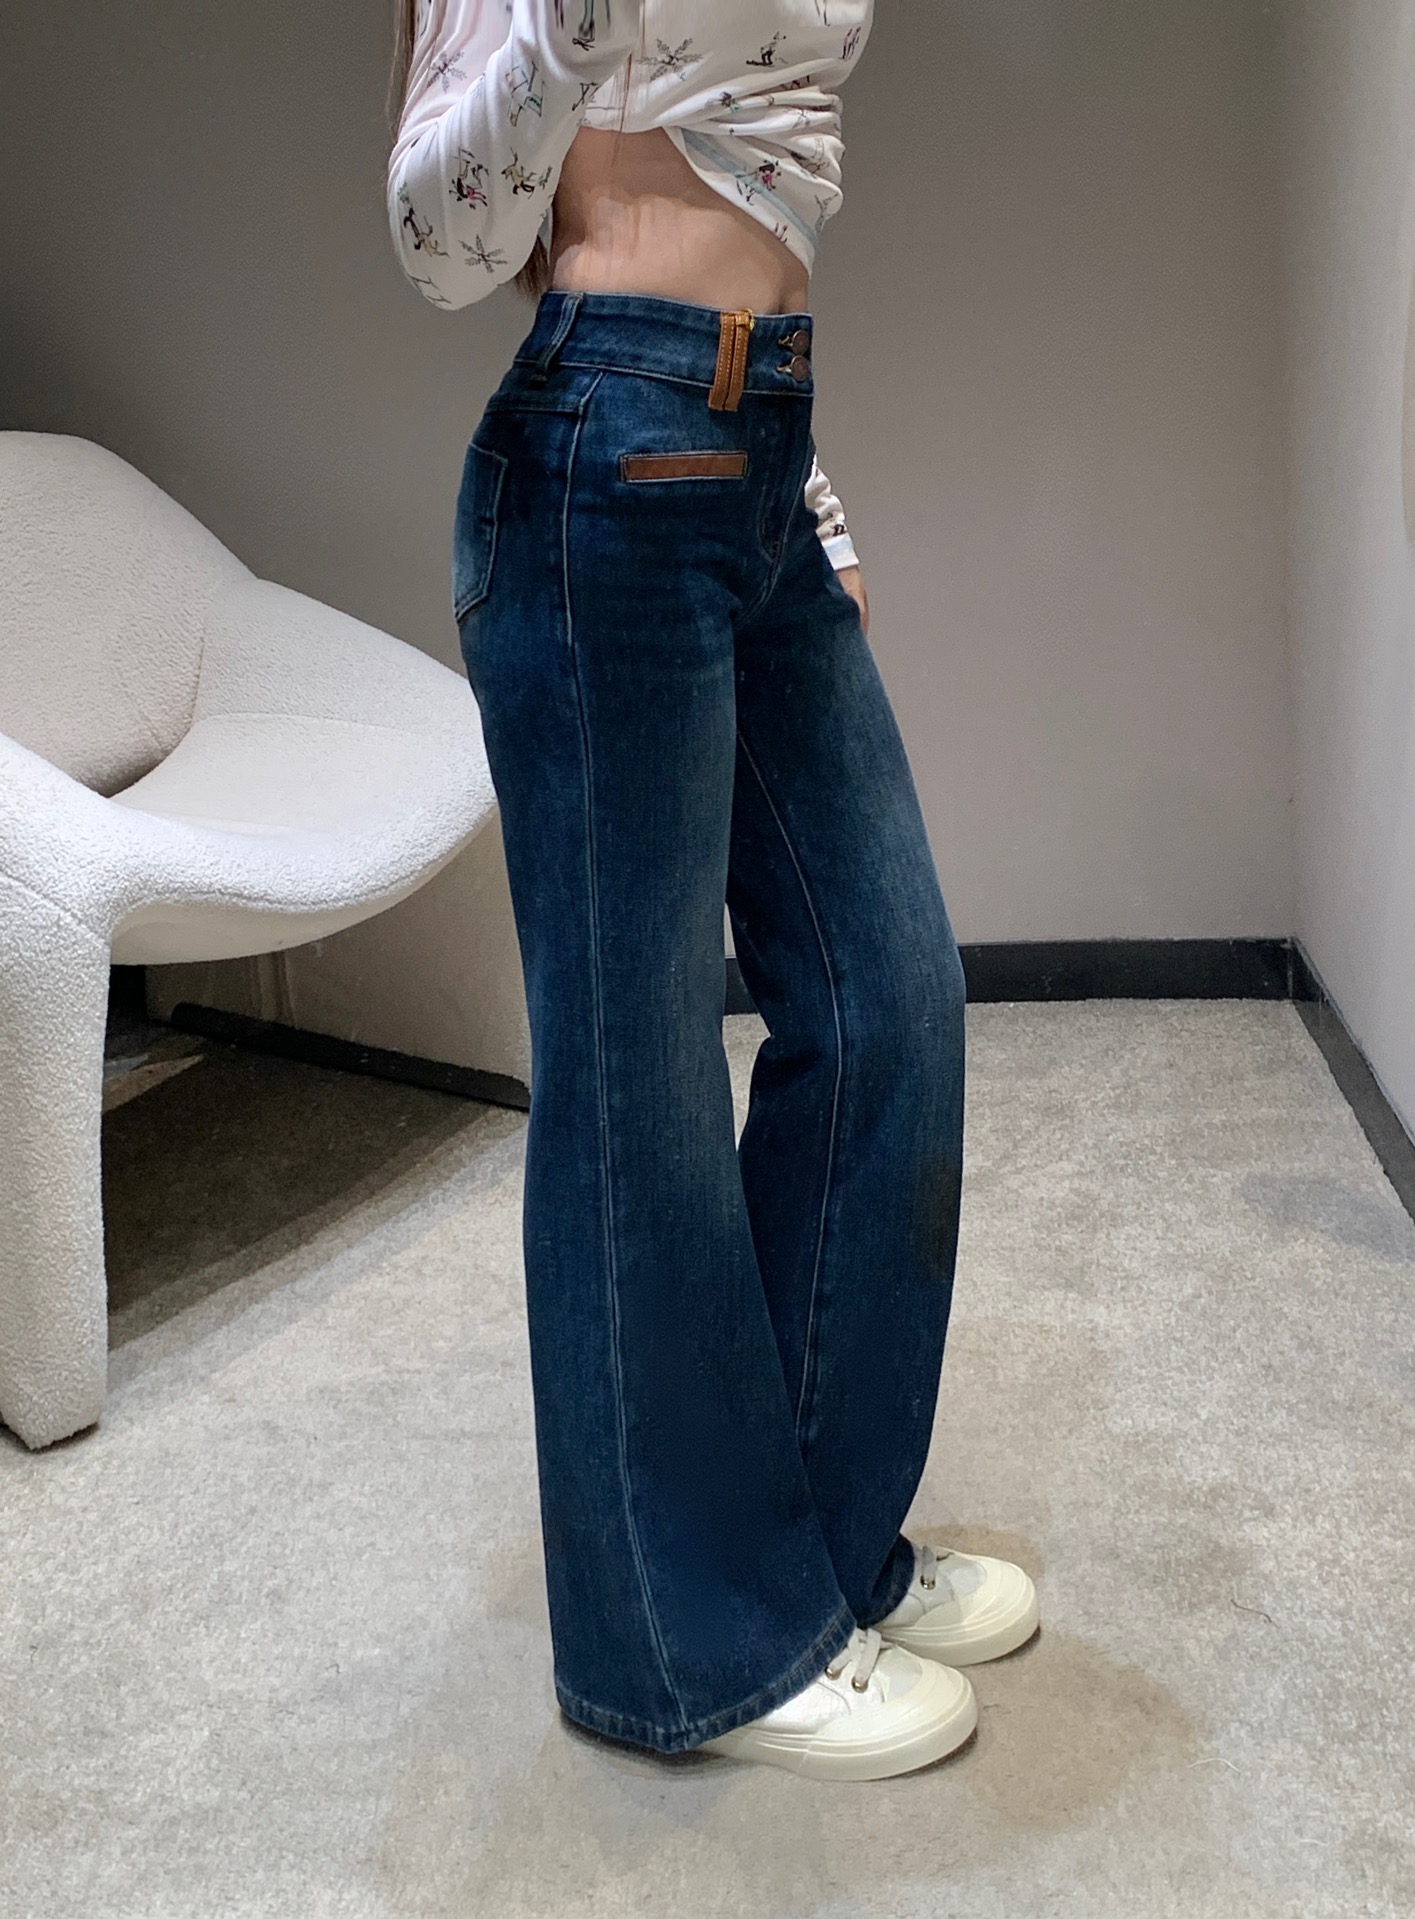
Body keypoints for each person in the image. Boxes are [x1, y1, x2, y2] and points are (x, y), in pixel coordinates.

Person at [386, 0, 1038, 1782]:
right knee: (636, 1077)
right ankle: (690, 1648)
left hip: (755, 447)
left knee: (889, 997)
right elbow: (440, 240)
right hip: (610, 454)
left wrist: (800, 491)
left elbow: (767, 166)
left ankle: (813, 1561)